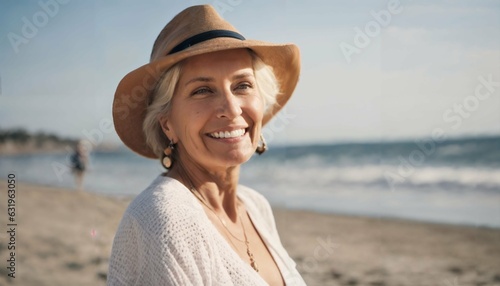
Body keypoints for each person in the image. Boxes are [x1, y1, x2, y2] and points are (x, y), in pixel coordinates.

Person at [108, 5, 304, 285]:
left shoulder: (255, 206)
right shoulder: (164, 219)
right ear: (167, 124)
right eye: (202, 90)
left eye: (242, 86)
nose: (231, 109)